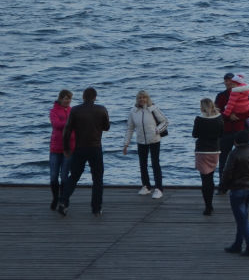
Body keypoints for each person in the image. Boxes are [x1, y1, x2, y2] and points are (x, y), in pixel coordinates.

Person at [57, 86, 111, 217]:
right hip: (95, 148)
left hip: (79, 148)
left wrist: (66, 148)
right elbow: (107, 127)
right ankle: (96, 209)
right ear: (95, 97)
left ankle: (63, 201)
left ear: (83, 97)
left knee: (74, 176)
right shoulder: (101, 109)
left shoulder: (75, 110)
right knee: (97, 179)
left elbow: (67, 131)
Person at [221, 130, 249, 256]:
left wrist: (224, 186)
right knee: (242, 219)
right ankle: (237, 245)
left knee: (242, 221)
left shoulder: (234, 154)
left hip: (237, 190)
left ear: (236, 141)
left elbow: (227, 173)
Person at [123, 90, 170, 199]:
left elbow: (165, 121)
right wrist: (126, 144)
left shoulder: (153, 109)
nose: (142, 100)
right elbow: (130, 128)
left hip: (154, 140)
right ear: (137, 99)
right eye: (140, 98)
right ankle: (146, 186)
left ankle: (159, 189)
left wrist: (157, 130)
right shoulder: (133, 111)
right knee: (142, 164)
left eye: (144, 97)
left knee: (155, 164)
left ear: (147, 98)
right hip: (141, 141)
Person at [215, 72, 249, 183]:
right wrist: (228, 117)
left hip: (241, 131)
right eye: (226, 80)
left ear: (236, 82)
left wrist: (238, 116)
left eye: (231, 80)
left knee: (244, 159)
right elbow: (216, 113)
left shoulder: (243, 94)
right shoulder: (221, 96)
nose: (229, 83)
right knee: (223, 159)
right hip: (225, 131)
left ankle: (244, 182)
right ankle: (223, 185)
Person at [193, 98, 223, 215]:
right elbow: (221, 133)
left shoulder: (199, 119)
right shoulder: (219, 118)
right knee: (211, 176)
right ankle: (210, 204)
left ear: (202, 107)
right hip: (214, 150)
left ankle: (208, 206)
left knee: (205, 179)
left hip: (202, 150)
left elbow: (194, 134)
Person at [48, 89, 74, 211]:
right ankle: (55, 198)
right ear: (60, 99)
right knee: (53, 176)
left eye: (69, 99)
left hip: (68, 148)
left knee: (64, 176)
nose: (68, 101)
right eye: (65, 98)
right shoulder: (54, 111)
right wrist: (69, 122)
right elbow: (56, 124)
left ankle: (63, 200)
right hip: (55, 147)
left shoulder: (72, 111)